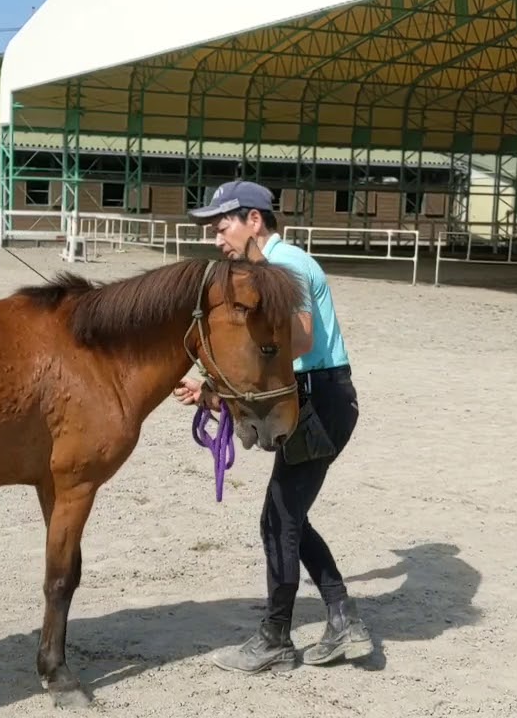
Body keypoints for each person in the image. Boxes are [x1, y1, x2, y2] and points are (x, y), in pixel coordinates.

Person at [172, 180, 372, 672]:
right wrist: (216, 390)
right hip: (305, 396)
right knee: (288, 516)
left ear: (253, 221)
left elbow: (299, 340)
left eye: (223, 227)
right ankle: (342, 617)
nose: (217, 239)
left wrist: (226, 383)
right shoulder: (265, 270)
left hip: (317, 399)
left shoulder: (288, 266)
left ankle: (276, 640)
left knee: (279, 520)